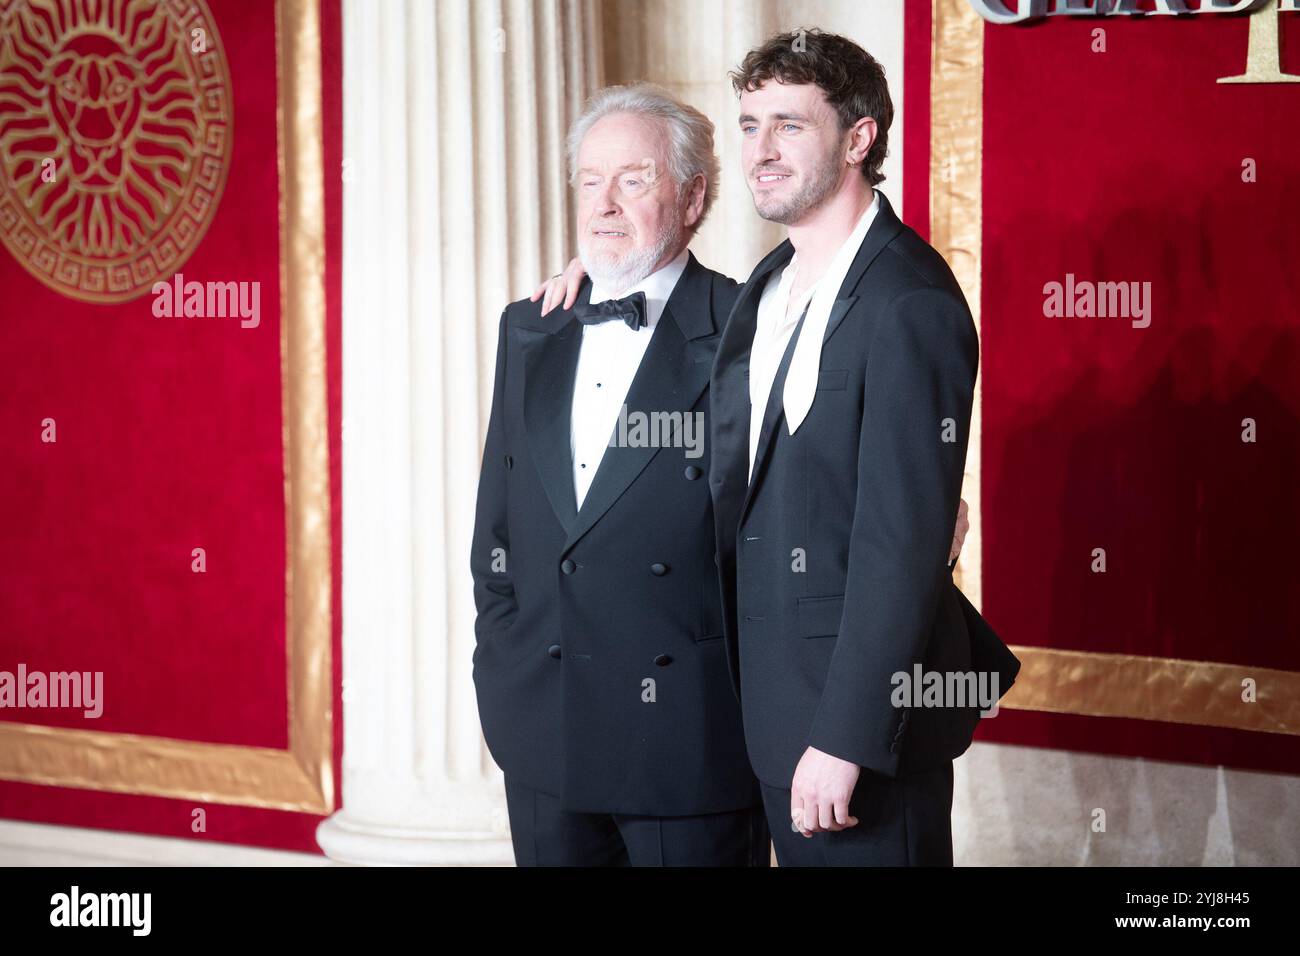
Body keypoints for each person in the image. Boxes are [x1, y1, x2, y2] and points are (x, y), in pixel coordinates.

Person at [534, 30, 1016, 867]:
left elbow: (899, 543)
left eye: (789, 126)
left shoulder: (910, 299)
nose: (760, 150)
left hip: (856, 731)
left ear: (860, 138)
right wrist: (599, 272)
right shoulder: (767, 286)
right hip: (765, 718)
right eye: (750, 124)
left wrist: (847, 739)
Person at [470, 84, 769, 866]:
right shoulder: (530, 325)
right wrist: (498, 666)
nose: (604, 203)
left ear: (694, 196)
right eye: (589, 180)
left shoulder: (751, 328)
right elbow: (496, 529)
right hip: (543, 733)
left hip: (689, 744)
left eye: (634, 179)